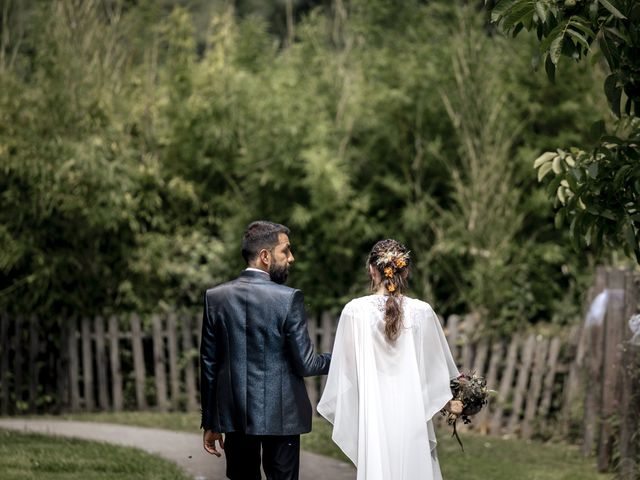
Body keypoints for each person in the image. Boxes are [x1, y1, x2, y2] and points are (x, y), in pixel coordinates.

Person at [317, 239, 462, 480]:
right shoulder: (422, 311)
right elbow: (436, 370)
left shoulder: (355, 311)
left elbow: (348, 368)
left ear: (372, 270)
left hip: (374, 408)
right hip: (411, 409)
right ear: (406, 271)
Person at [200, 220, 331, 480]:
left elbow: (209, 364)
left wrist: (211, 422)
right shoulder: (288, 298)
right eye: (286, 251)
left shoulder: (215, 298)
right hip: (283, 416)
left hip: (235, 416)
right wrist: (341, 359)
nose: (291, 258)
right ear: (265, 256)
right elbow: (307, 364)